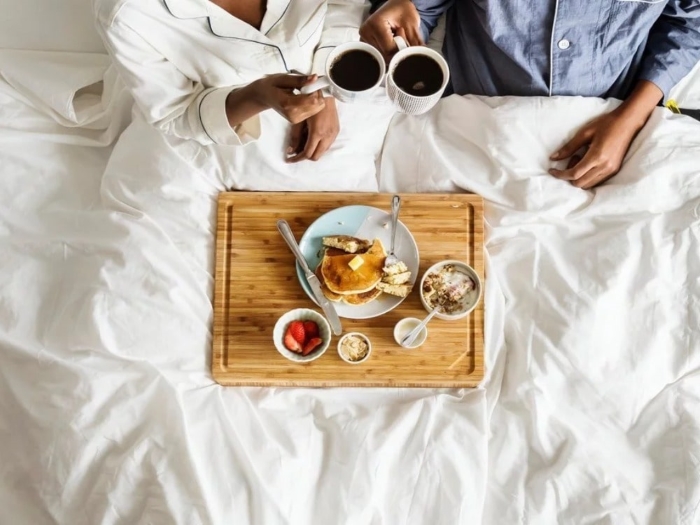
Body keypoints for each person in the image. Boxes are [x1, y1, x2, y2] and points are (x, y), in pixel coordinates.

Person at [361, 0, 700, 189]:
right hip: (478, 127)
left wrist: (631, 118)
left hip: (613, 126)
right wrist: (398, 11)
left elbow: (687, 24)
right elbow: (419, 9)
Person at [94, 0, 368, 163]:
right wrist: (256, 96)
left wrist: (326, 83)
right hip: (237, 138)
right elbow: (176, 112)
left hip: (356, 76)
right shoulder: (126, 15)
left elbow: (346, 4)